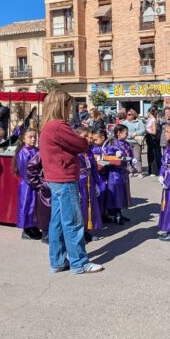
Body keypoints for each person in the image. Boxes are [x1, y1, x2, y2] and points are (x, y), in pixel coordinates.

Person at [38, 89, 103, 275]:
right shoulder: (58, 125)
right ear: (61, 105)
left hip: (55, 178)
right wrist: (84, 138)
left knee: (57, 222)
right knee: (73, 221)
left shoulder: (48, 125)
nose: (70, 109)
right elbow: (81, 145)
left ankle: (57, 261)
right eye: (68, 105)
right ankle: (79, 263)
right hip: (64, 178)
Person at [75, 127, 103, 241]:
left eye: (90, 137)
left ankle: (87, 230)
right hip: (80, 182)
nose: (89, 139)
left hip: (89, 181)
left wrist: (97, 183)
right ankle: (79, 233)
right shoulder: (75, 153)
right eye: (85, 136)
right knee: (80, 207)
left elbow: (94, 168)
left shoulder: (89, 152)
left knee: (89, 207)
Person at [103, 124, 134, 225]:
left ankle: (120, 212)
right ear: (119, 133)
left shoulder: (126, 143)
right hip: (115, 172)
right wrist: (115, 156)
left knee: (123, 193)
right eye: (126, 132)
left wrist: (132, 160)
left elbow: (130, 155)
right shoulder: (112, 143)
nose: (127, 134)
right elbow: (107, 156)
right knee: (116, 193)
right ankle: (116, 214)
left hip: (124, 171)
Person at [14, 130, 42, 240]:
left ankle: (33, 226)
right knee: (27, 206)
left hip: (37, 182)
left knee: (35, 206)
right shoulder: (23, 152)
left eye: (34, 136)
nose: (33, 139)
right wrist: (35, 183)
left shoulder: (35, 150)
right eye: (30, 137)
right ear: (23, 138)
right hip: (28, 184)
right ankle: (26, 230)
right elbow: (25, 171)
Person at [25, 150, 51, 244]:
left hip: (58, 185)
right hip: (46, 186)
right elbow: (31, 167)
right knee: (46, 211)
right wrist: (39, 184)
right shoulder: (42, 152)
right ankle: (45, 234)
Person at [122, 109, 145, 175]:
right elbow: (122, 129)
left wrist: (136, 133)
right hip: (127, 141)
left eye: (129, 114)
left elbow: (143, 130)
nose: (127, 116)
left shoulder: (139, 122)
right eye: (127, 114)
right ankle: (131, 171)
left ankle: (139, 171)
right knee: (129, 157)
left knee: (137, 157)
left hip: (136, 142)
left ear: (133, 115)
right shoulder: (125, 122)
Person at [145, 107, 161, 176]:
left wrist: (147, 131)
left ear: (149, 112)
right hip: (149, 139)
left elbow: (154, 132)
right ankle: (150, 170)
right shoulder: (149, 119)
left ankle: (155, 171)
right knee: (150, 154)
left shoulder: (153, 120)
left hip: (153, 139)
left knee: (154, 155)